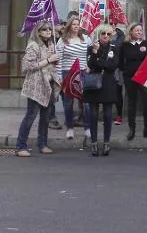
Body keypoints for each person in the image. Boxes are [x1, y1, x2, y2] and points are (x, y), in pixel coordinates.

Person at [15, 22, 61, 157]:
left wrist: (54, 59)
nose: (48, 31)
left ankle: (43, 144)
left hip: (49, 83)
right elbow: (27, 66)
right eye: (44, 29)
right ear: (38, 32)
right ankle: (20, 146)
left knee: (45, 117)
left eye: (49, 29)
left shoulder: (51, 44)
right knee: (30, 116)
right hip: (36, 84)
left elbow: (51, 63)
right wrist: (48, 59)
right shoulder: (33, 45)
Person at [85, 24, 120, 157]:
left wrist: (98, 62)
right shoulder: (91, 47)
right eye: (103, 33)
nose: (106, 36)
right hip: (94, 83)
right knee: (93, 114)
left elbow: (113, 66)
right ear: (99, 35)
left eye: (108, 34)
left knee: (107, 114)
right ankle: (94, 143)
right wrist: (95, 54)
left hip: (108, 83)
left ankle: (106, 143)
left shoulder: (115, 48)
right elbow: (90, 64)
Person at [55, 17, 92, 141]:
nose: (76, 26)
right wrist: (59, 77)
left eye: (78, 24)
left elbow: (92, 53)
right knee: (68, 103)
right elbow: (58, 59)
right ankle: (70, 127)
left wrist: (88, 65)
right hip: (68, 73)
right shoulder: (63, 40)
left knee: (86, 102)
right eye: (74, 24)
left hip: (82, 73)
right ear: (69, 26)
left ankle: (87, 128)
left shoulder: (86, 39)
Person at [119, 23, 147, 141]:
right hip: (130, 78)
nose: (139, 32)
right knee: (132, 104)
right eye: (137, 30)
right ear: (131, 32)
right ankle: (132, 130)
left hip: (145, 78)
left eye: (141, 30)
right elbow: (120, 62)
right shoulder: (124, 45)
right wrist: (126, 71)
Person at [111, 25, 125, 126]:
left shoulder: (121, 35)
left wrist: (109, 43)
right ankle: (107, 114)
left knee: (117, 92)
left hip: (117, 69)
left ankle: (119, 114)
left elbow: (118, 45)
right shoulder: (101, 32)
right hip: (105, 68)